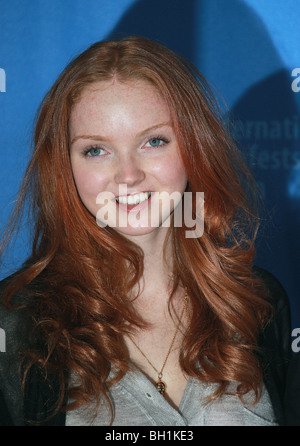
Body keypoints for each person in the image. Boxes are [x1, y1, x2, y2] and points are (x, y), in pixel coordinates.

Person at [0, 36, 291, 426]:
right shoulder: (16, 323)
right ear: (64, 166)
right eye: (96, 150)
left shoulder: (257, 302)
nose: (129, 175)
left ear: (193, 147)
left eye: (154, 141)